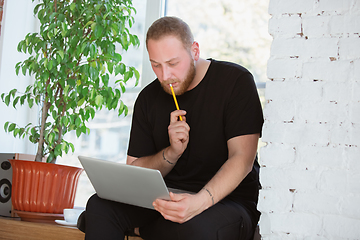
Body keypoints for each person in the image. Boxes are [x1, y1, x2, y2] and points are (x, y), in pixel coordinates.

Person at [83, 16, 264, 240]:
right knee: (99, 206)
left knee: (191, 229)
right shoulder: (148, 97)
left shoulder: (235, 81)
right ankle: (153, 228)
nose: (165, 76)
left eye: (173, 63)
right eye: (156, 65)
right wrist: (171, 153)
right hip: (165, 199)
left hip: (226, 202)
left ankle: (148, 229)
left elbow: (242, 160)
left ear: (195, 51)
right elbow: (135, 170)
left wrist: (199, 202)